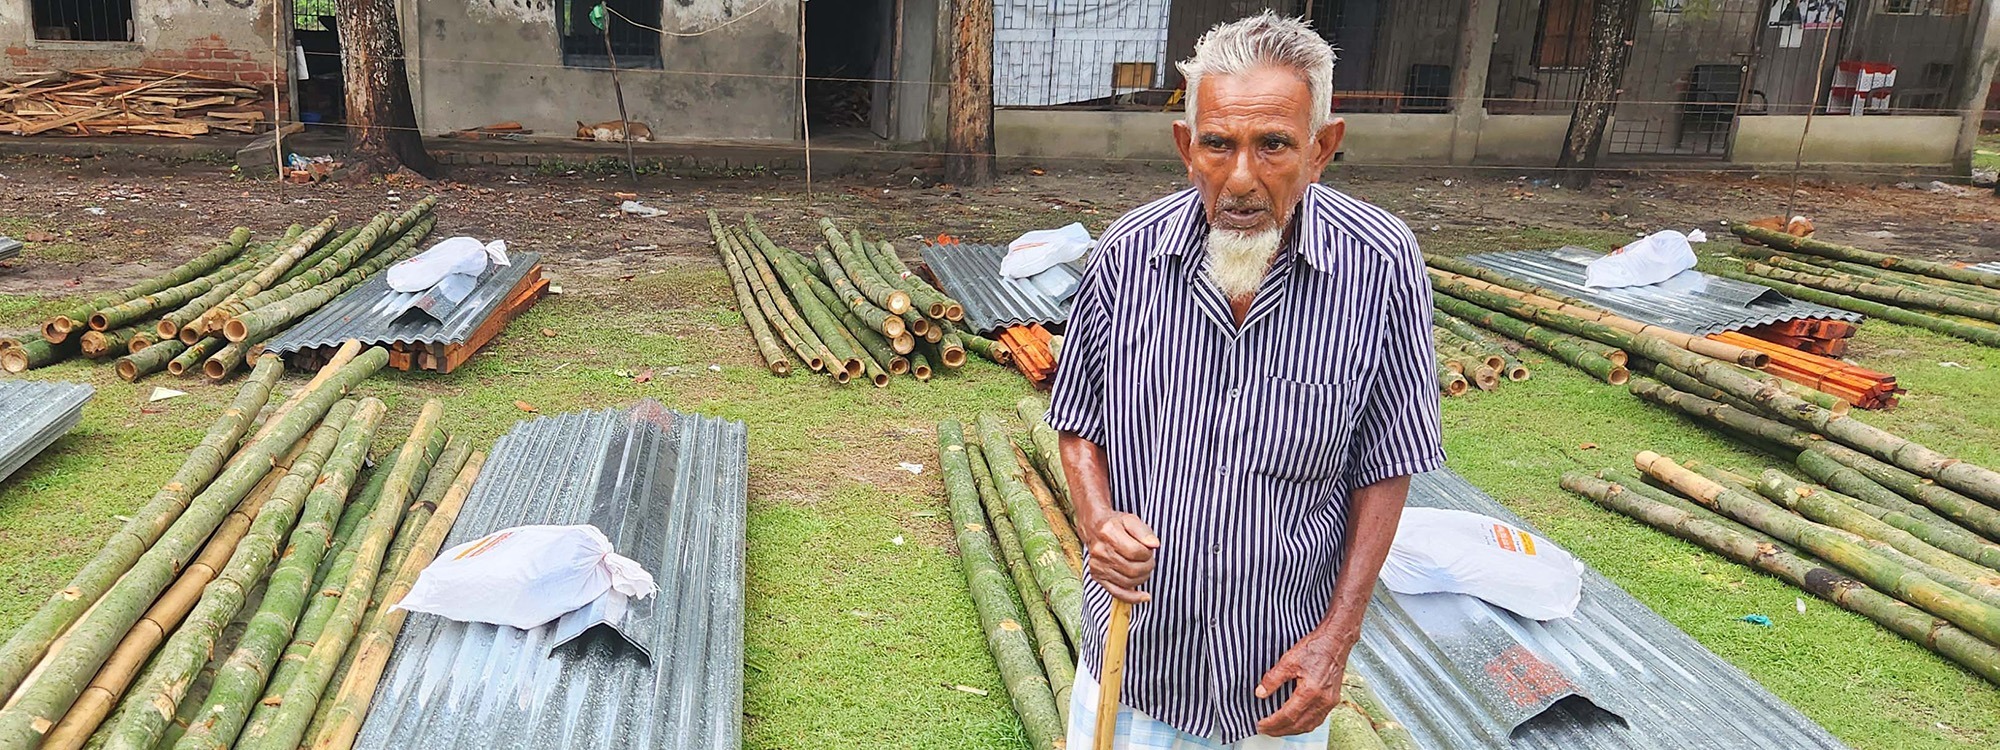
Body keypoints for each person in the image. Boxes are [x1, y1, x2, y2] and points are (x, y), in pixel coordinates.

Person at [1047, 11, 1445, 749]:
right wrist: (1096, 520)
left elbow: (1388, 464)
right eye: (1218, 144)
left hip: (1277, 674)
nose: (1239, 179)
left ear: (1323, 148)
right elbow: (1079, 417)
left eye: (1273, 146)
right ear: (1183, 146)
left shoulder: (1382, 264)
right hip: (1137, 659)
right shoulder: (1126, 256)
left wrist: (1339, 636)